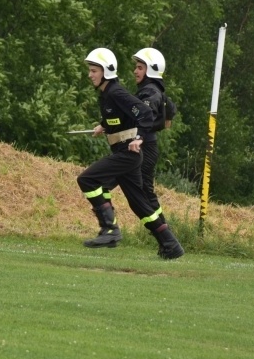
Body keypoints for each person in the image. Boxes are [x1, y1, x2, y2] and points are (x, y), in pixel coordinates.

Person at [76, 47, 184, 259]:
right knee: (139, 203)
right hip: (129, 151)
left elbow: (144, 112)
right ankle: (170, 244)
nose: (89, 75)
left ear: (105, 71)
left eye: (93, 70)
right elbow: (126, 117)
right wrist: (105, 125)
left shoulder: (121, 91)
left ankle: (110, 229)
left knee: (88, 180)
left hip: (129, 152)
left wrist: (140, 137)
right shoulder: (109, 93)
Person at [132, 47, 177, 232]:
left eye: (140, 67)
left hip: (144, 145)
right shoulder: (156, 91)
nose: (135, 71)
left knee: (144, 191)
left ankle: (164, 234)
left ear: (151, 70)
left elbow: (145, 115)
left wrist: (141, 134)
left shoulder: (150, 92)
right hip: (148, 144)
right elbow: (169, 116)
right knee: (145, 191)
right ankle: (164, 234)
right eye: (136, 67)